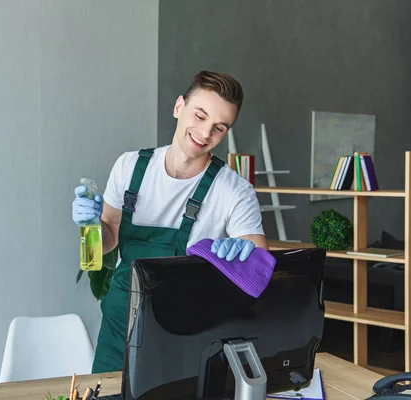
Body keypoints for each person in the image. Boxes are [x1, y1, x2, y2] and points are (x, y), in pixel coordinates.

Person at [72, 70, 268, 373]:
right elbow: (108, 237)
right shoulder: (130, 166)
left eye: (218, 127)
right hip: (118, 330)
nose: (205, 134)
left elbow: (257, 267)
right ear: (179, 107)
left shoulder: (234, 191)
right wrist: (93, 225)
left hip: (184, 338)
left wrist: (242, 254)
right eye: (199, 116)